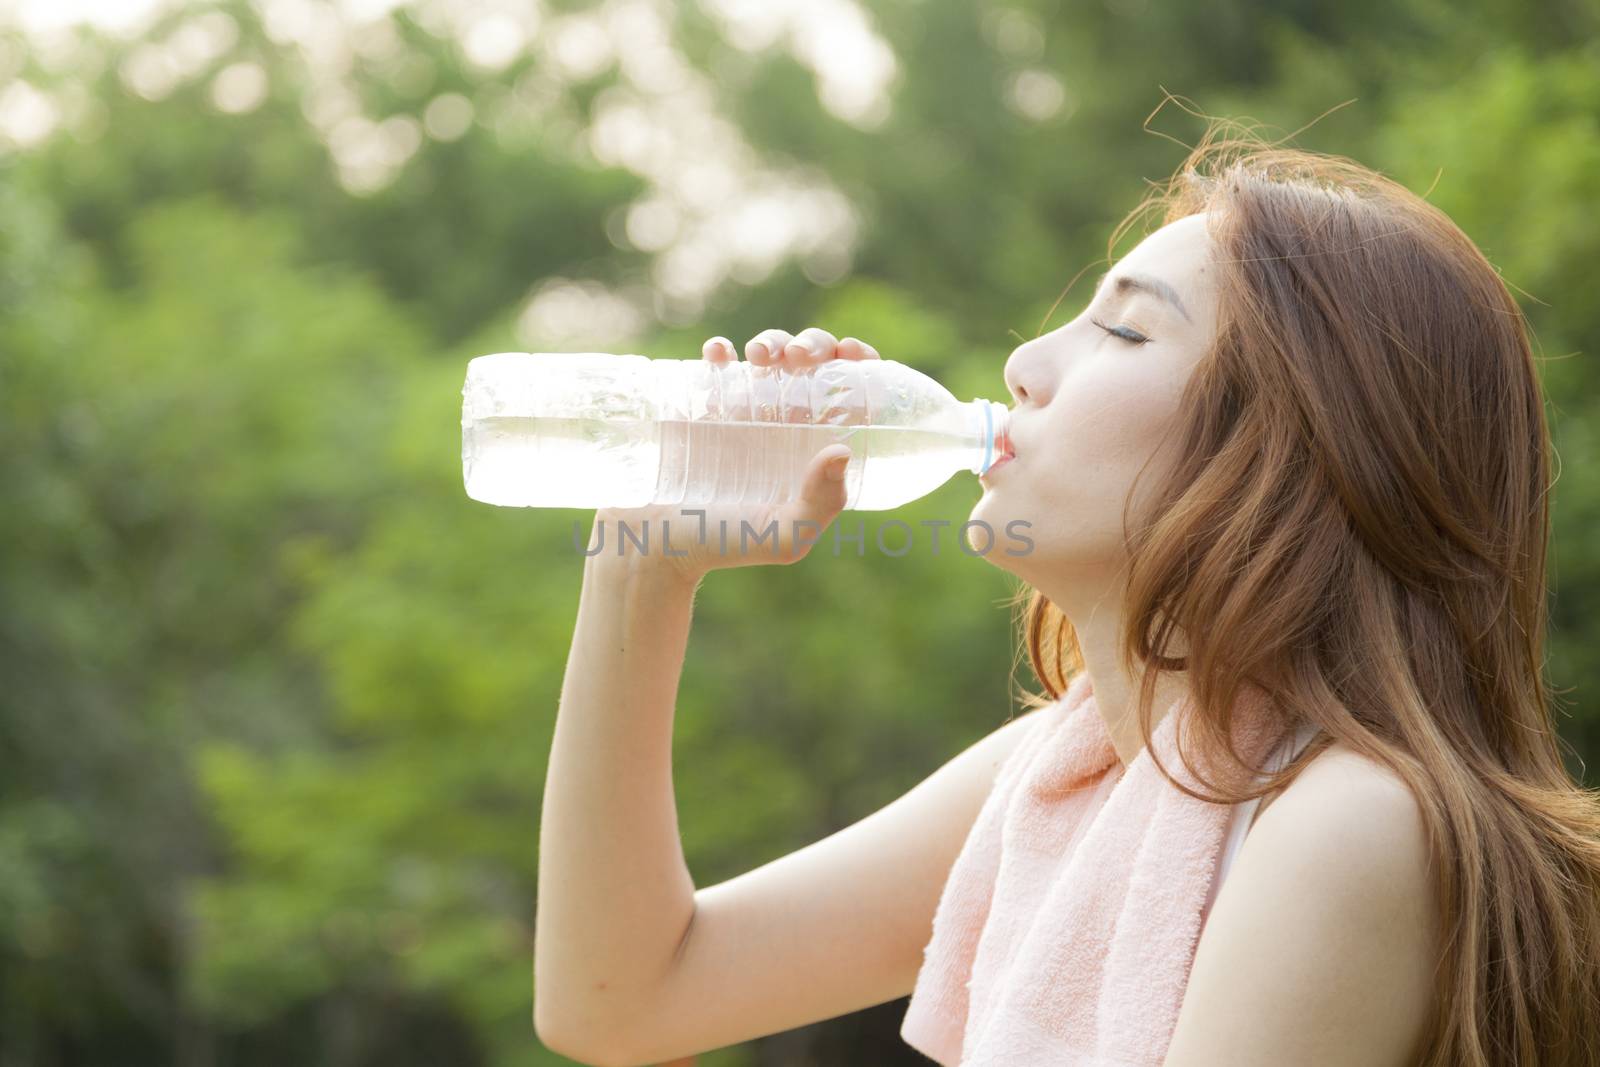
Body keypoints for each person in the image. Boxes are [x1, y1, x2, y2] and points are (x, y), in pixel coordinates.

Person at [532, 124, 1600, 1067]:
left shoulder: (1346, 825)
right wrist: (640, 565)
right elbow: (621, 1001)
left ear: (1295, 450)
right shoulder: (1065, 777)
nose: (1024, 364)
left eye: (1125, 331)